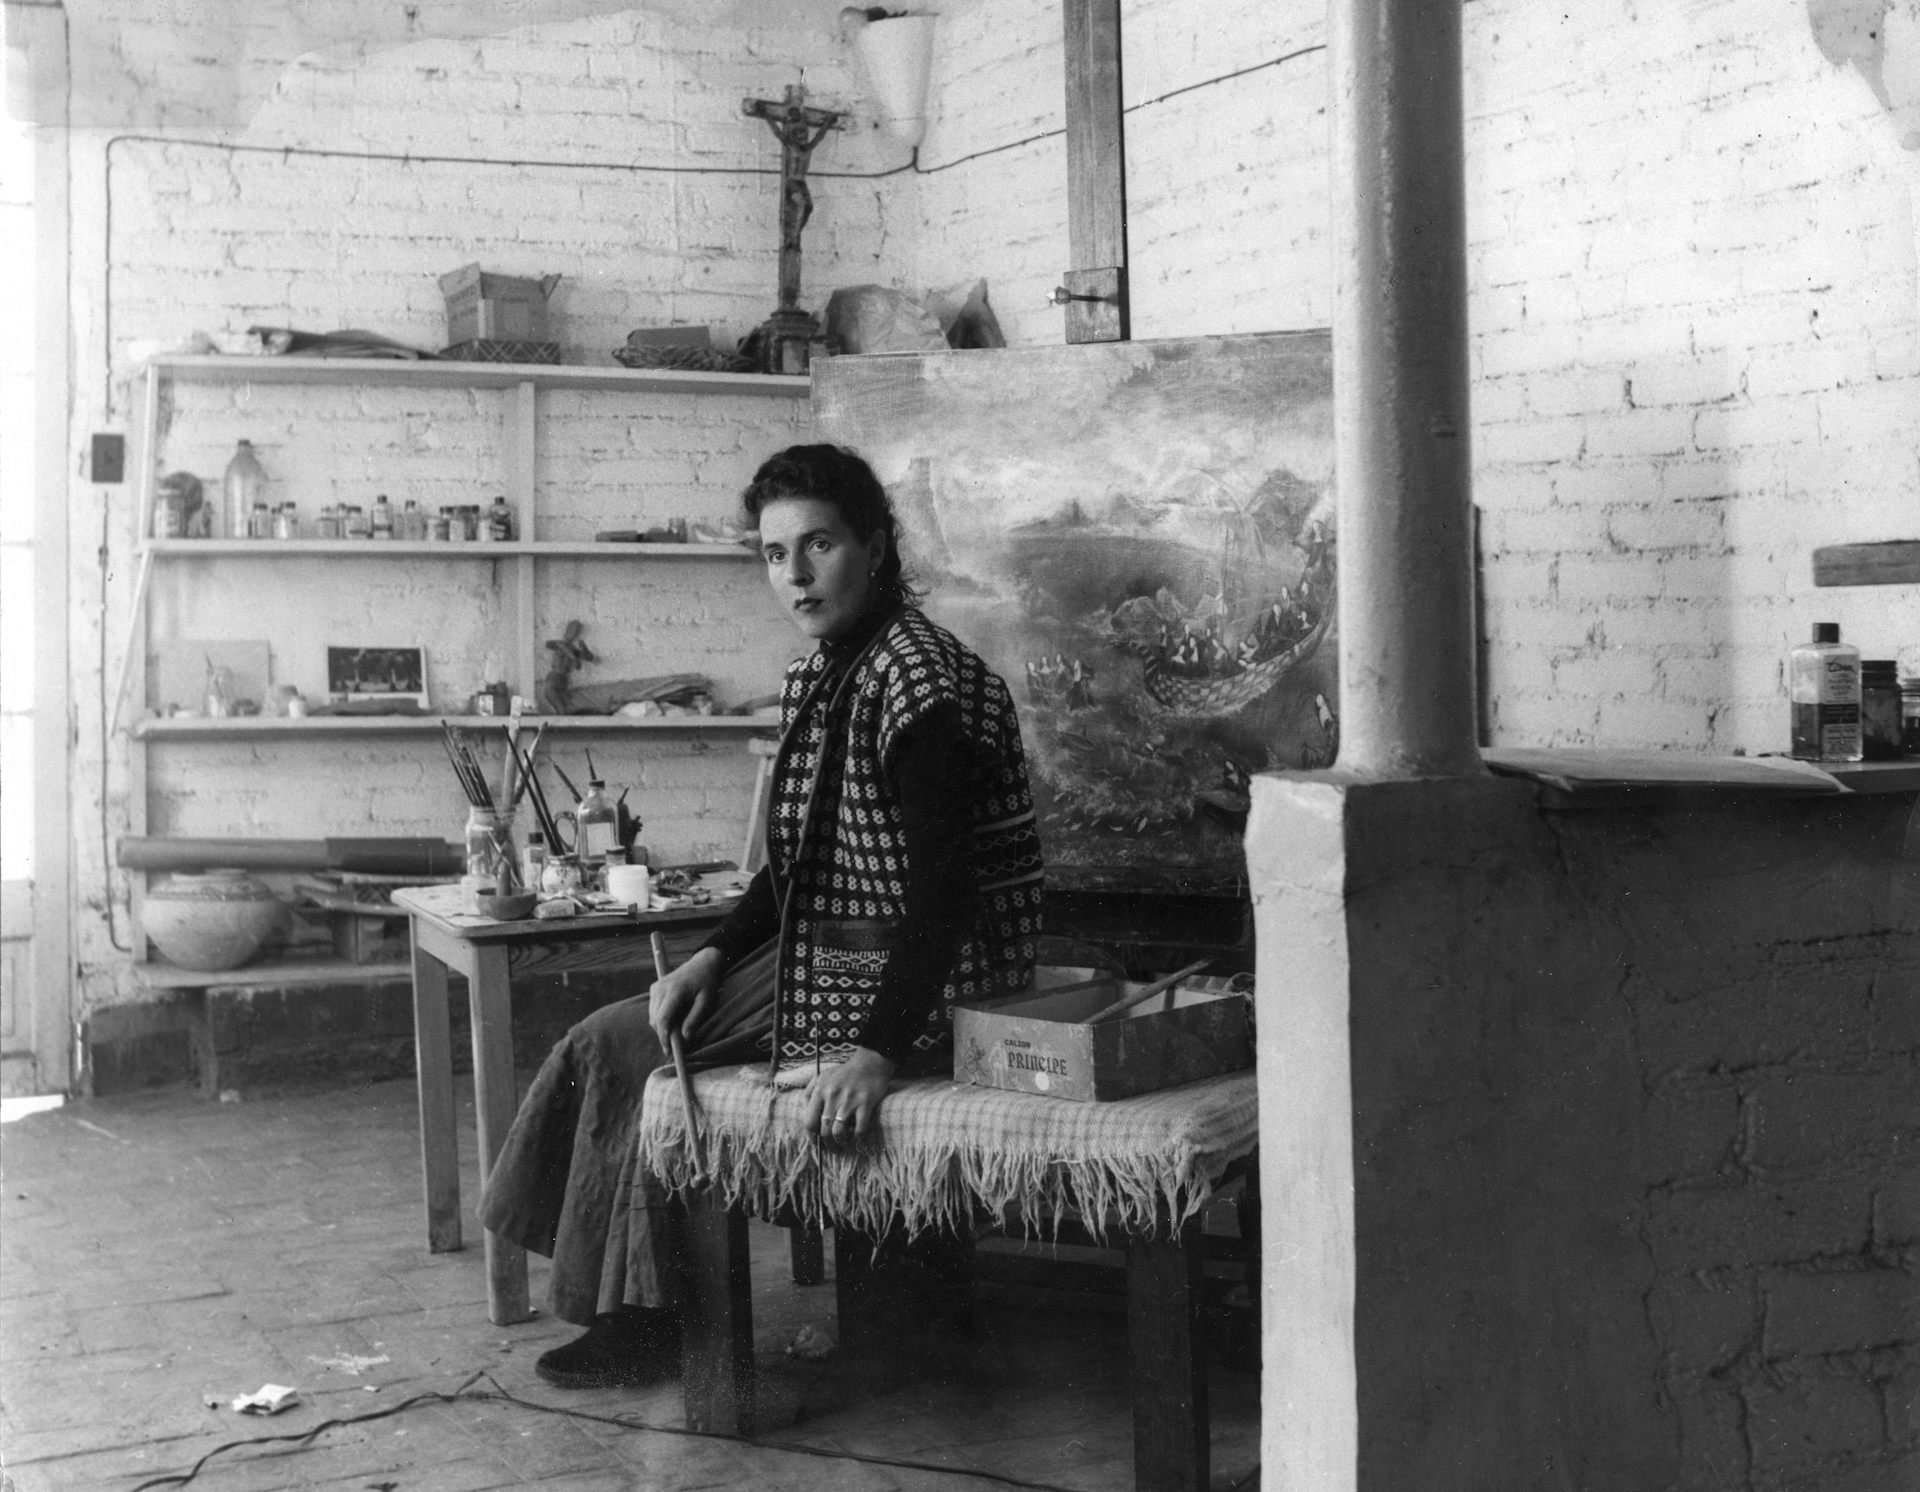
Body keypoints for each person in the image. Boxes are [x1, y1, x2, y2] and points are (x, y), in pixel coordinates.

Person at [480, 442, 1044, 1389]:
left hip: (932, 975)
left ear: (873, 546)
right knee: (610, 1035)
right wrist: (707, 961)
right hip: (832, 949)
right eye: (775, 554)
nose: (795, 574)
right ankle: (635, 1304)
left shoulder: (921, 681)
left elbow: (946, 895)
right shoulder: (818, 676)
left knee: (628, 1051)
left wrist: (875, 1050)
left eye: (817, 545)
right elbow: (794, 871)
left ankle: (649, 1320)